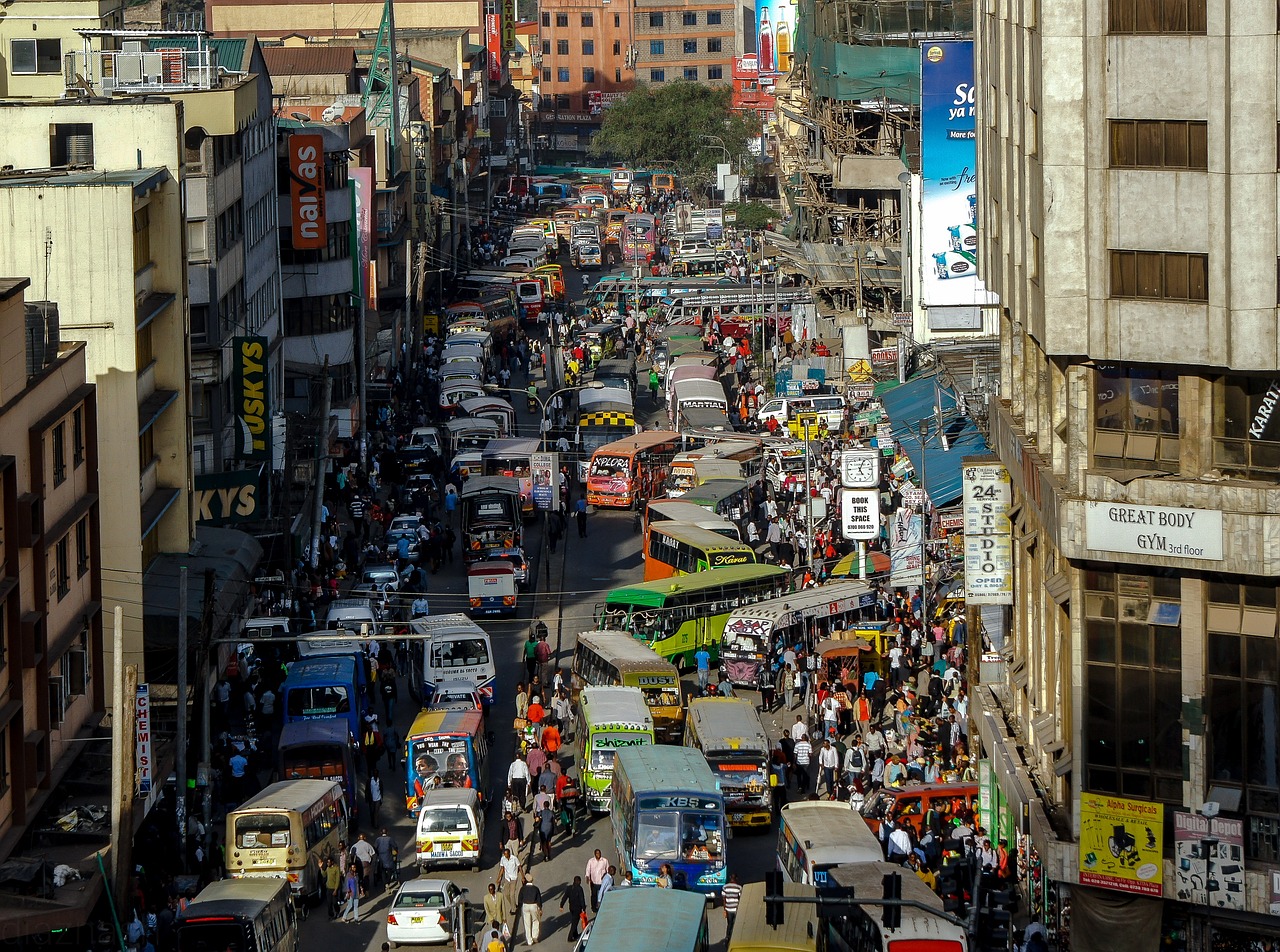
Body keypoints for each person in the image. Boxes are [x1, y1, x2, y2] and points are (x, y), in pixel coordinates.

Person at [560, 875, 587, 941]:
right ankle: (570, 937)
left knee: (574, 920)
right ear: (579, 881)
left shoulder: (569, 888)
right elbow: (582, 899)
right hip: (577, 908)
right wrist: (583, 908)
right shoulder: (579, 889)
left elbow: (565, 897)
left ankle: (575, 934)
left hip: (571, 907)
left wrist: (561, 905)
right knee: (574, 923)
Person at [518, 873, 543, 946]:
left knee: (527, 923)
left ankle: (529, 940)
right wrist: (540, 908)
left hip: (525, 905)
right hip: (534, 905)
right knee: (535, 920)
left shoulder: (523, 889)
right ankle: (534, 936)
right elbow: (539, 899)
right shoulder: (535, 888)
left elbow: (519, 899)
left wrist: (520, 908)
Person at [722, 873, 743, 940]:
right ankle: (735, 937)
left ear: (730, 877)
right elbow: (740, 898)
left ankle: (727, 937)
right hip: (736, 909)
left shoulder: (725, 887)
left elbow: (724, 899)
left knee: (729, 924)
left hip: (728, 909)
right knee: (735, 924)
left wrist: (725, 909)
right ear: (736, 878)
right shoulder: (739, 887)